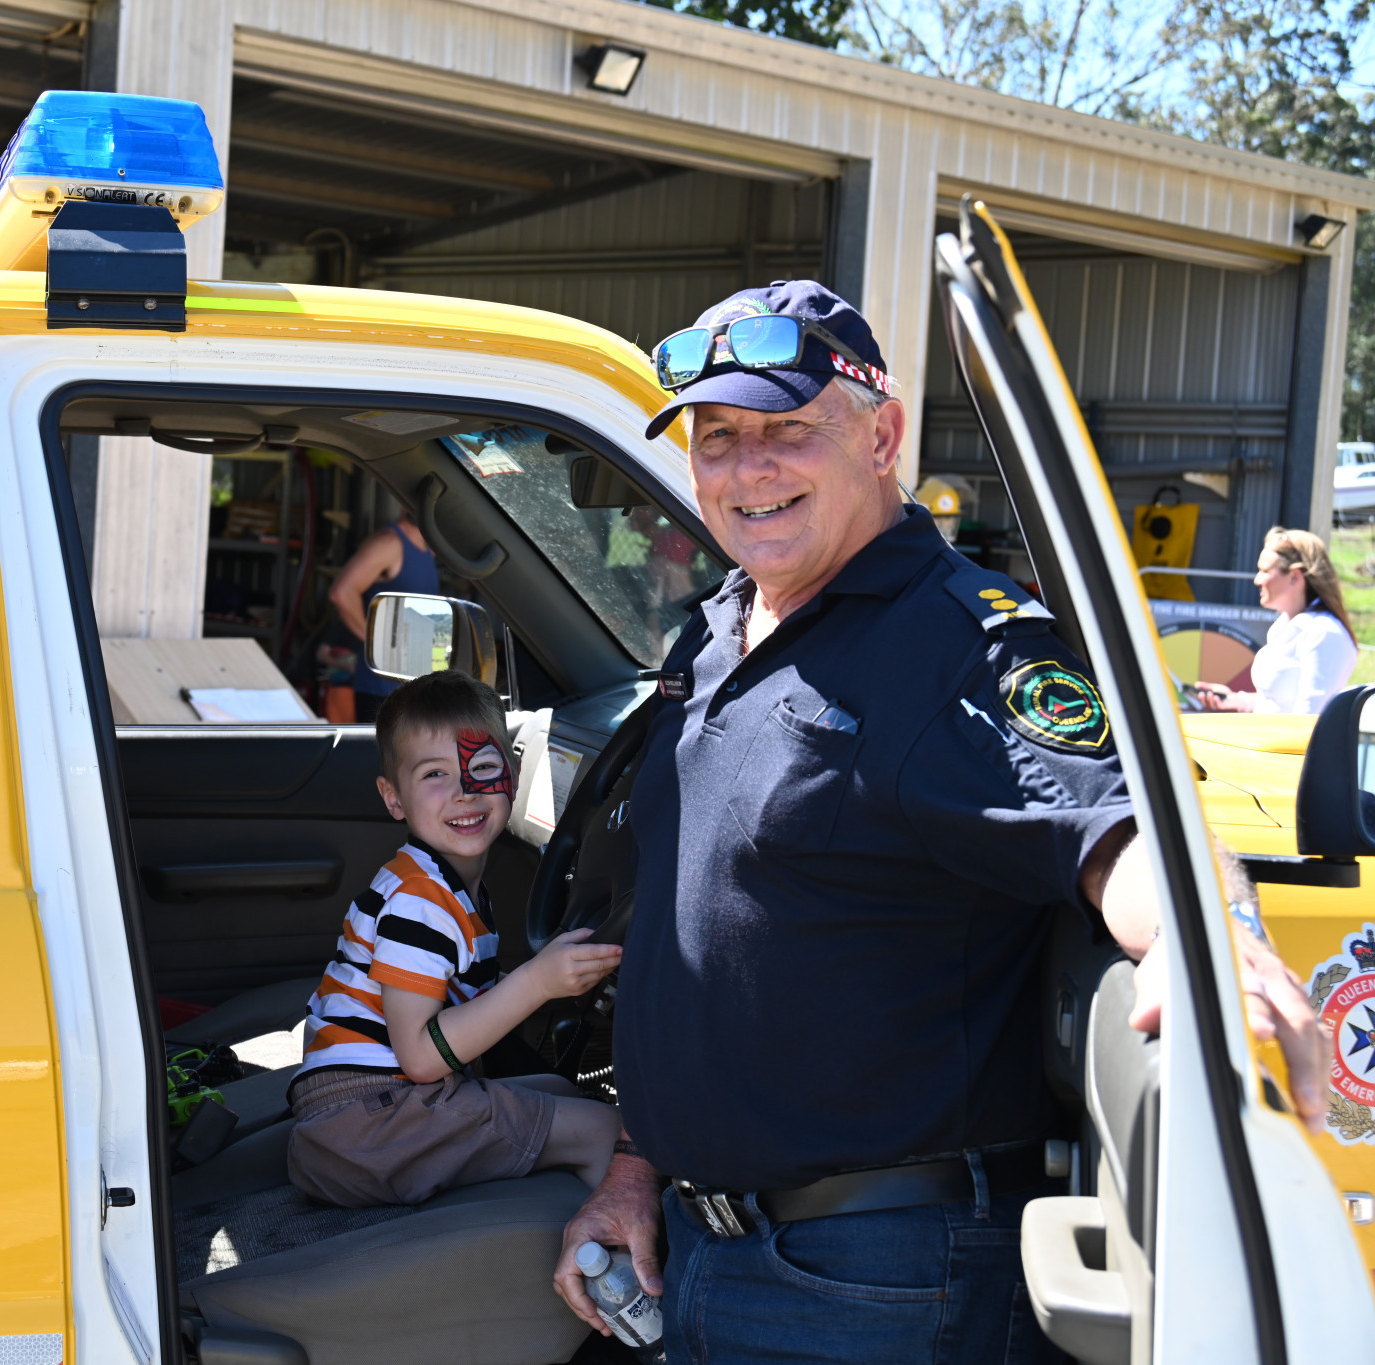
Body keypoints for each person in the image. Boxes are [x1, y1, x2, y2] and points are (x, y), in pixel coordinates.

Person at [549, 282, 1327, 1363]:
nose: (744, 468)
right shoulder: (725, 623)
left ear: (881, 435)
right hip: (698, 1243)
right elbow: (699, 935)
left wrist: (1211, 943)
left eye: (785, 430)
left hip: (873, 1278)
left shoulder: (963, 646)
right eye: (715, 437)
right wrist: (636, 1169)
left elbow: (1127, 828)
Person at [285, 670, 624, 1207]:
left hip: (363, 1118)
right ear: (394, 799)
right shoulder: (422, 902)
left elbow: (450, 995)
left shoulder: (439, 884)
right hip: (373, 1125)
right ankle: (631, 1279)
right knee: (608, 1130)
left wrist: (548, 981)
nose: (465, 791)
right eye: (435, 775)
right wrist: (536, 983)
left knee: (562, 1090)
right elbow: (420, 1057)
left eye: (483, 767)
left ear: (512, 775)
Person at [1195, 525, 1359, 714]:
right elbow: (1278, 703)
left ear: (1294, 577)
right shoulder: (1284, 625)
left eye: (1264, 571)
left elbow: (1309, 721)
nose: (1257, 580)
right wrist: (1237, 700)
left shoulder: (1324, 633)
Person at [328, 514, 441, 721]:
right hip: (381, 691)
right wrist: (378, 648)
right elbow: (342, 593)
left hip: (413, 688)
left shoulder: (426, 550)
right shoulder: (390, 543)